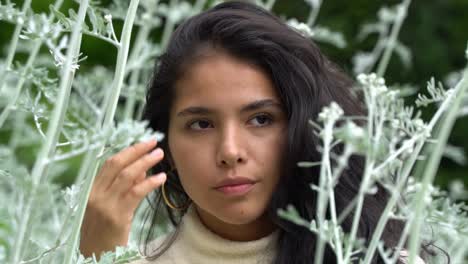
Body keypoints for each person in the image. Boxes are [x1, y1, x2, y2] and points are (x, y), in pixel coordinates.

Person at [80, 1, 433, 263]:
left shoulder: (378, 258)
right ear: (165, 148)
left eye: (261, 119)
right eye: (201, 124)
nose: (230, 151)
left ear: (307, 126)